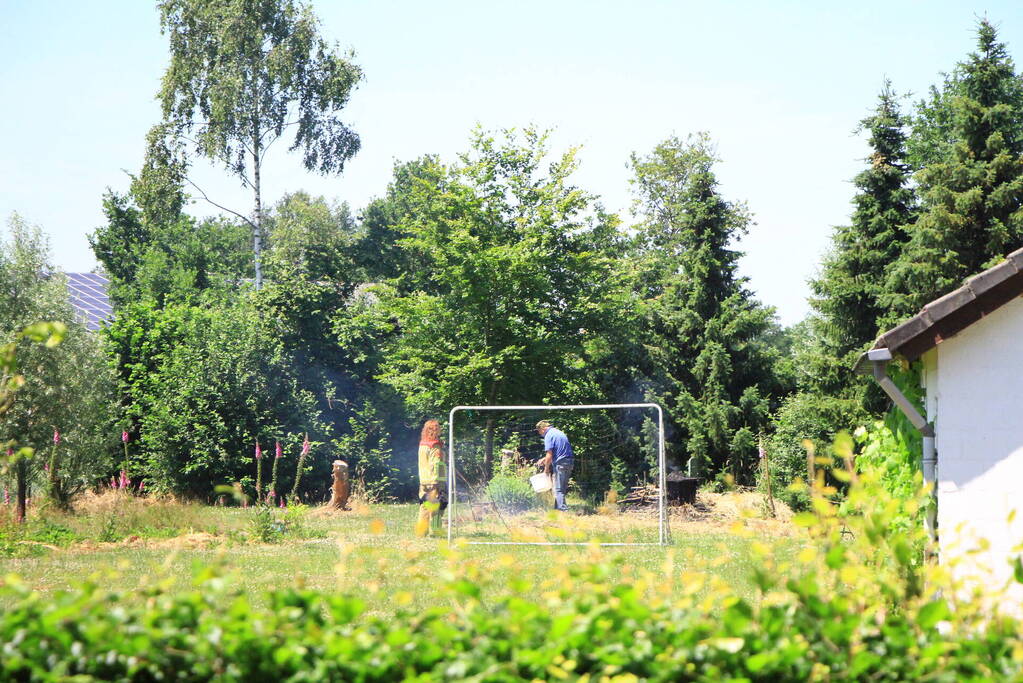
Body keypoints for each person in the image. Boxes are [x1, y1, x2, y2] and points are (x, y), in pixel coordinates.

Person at [416, 419, 448, 537]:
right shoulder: (434, 446)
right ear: (435, 430)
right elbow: (436, 464)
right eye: (438, 428)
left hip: (423, 479)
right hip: (434, 480)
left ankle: (421, 532)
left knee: (424, 506)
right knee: (438, 506)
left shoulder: (423, 444)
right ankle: (435, 530)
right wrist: (436, 482)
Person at [535, 420, 573, 511]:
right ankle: (557, 508)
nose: (540, 434)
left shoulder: (548, 435)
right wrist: (544, 459)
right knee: (561, 487)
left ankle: (563, 510)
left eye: (539, 431)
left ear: (543, 428)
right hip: (569, 461)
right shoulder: (558, 432)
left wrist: (546, 468)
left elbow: (549, 454)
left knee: (558, 488)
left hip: (560, 464)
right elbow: (559, 450)